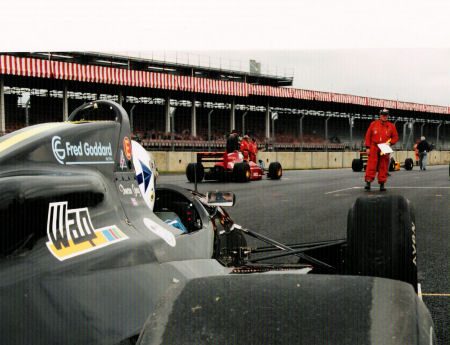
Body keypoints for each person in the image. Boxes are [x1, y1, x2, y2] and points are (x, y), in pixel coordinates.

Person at [364, 108, 399, 191]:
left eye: (386, 115)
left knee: (383, 165)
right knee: (371, 164)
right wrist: (367, 147)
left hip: (385, 147)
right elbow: (368, 136)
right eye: (383, 115)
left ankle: (382, 184)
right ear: (380, 115)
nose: (385, 117)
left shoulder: (391, 126)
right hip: (374, 146)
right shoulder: (373, 124)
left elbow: (395, 137)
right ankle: (368, 182)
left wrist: (390, 143)